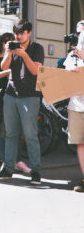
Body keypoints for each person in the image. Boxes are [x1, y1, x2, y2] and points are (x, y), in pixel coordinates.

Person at [0, 19, 44, 185]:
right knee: (11, 134)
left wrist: (24, 55)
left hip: (30, 96)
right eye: (17, 33)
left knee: (30, 135)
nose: (19, 36)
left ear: (29, 32)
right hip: (10, 95)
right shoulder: (13, 46)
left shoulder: (37, 48)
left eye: (22, 33)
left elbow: (36, 70)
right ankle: (7, 169)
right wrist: (9, 52)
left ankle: (35, 171)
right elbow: (3, 66)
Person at [0, 32, 30, 173]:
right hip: (0, 98)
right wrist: (7, 72)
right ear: (2, 43)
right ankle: (6, 161)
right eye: (6, 41)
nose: (8, 44)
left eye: (12, 41)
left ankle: (16, 160)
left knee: (18, 131)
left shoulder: (17, 57)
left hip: (17, 96)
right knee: (5, 130)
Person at [63, 20, 84, 192]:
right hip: (76, 104)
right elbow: (65, 78)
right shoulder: (72, 55)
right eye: (78, 33)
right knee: (80, 142)